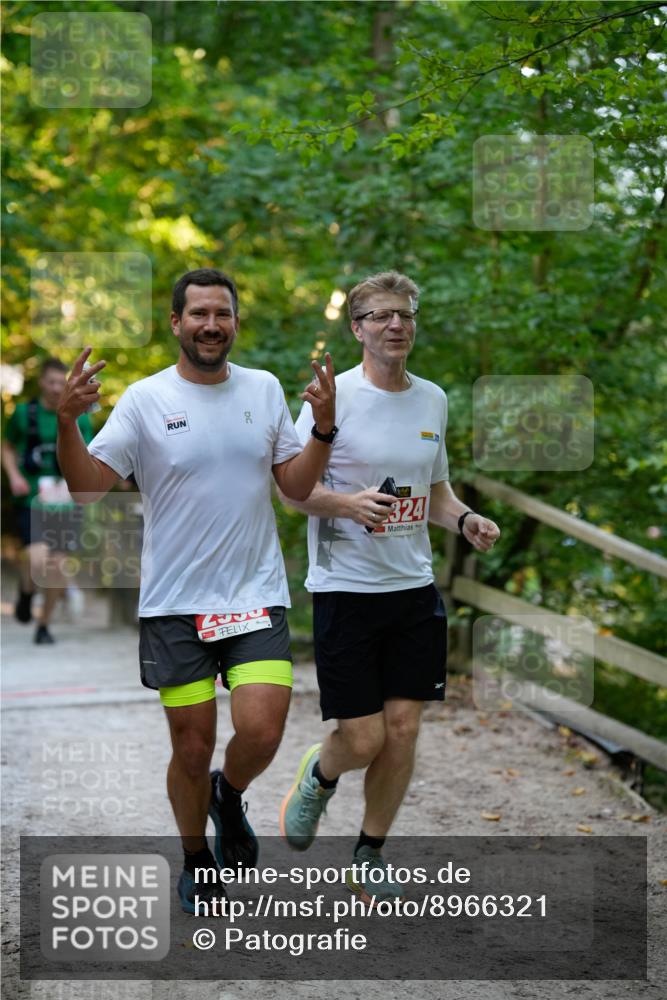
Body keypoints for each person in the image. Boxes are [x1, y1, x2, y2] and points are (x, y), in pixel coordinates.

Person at [55, 267, 337, 914]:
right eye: (199, 314)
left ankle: (227, 794)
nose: (212, 324)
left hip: (254, 593)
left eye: (223, 313)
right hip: (175, 604)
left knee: (262, 731)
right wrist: (67, 423)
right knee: (189, 748)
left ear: (235, 322)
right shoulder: (145, 400)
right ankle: (195, 858)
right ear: (176, 323)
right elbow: (87, 488)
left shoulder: (263, 389)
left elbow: (294, 488)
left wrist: (322, 430)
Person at [279, 270, 500, 903]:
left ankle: (370, 848)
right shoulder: (332, 398)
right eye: (380, 316)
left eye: (404, 315)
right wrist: (346, 505)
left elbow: (434, 492)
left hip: (413, 588)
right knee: (365, 736)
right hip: (345, 589)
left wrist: (464, 519)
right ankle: (320, 776)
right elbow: (293, 489)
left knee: (403, 730)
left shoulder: (433, 399)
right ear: (357, 329)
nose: (395, 325)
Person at [2, 357, 94, 644]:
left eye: (60, 382)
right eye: (51, 382)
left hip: (67, 501)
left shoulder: (81, 416)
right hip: (33, 499)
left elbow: (90, 455)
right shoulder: (22, 413)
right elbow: (6, 447)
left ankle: (44, 624)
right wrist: (14, 475)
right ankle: (27, 592)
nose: (56, 388)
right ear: (42, 382)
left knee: (58, 566)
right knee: (39, 559)